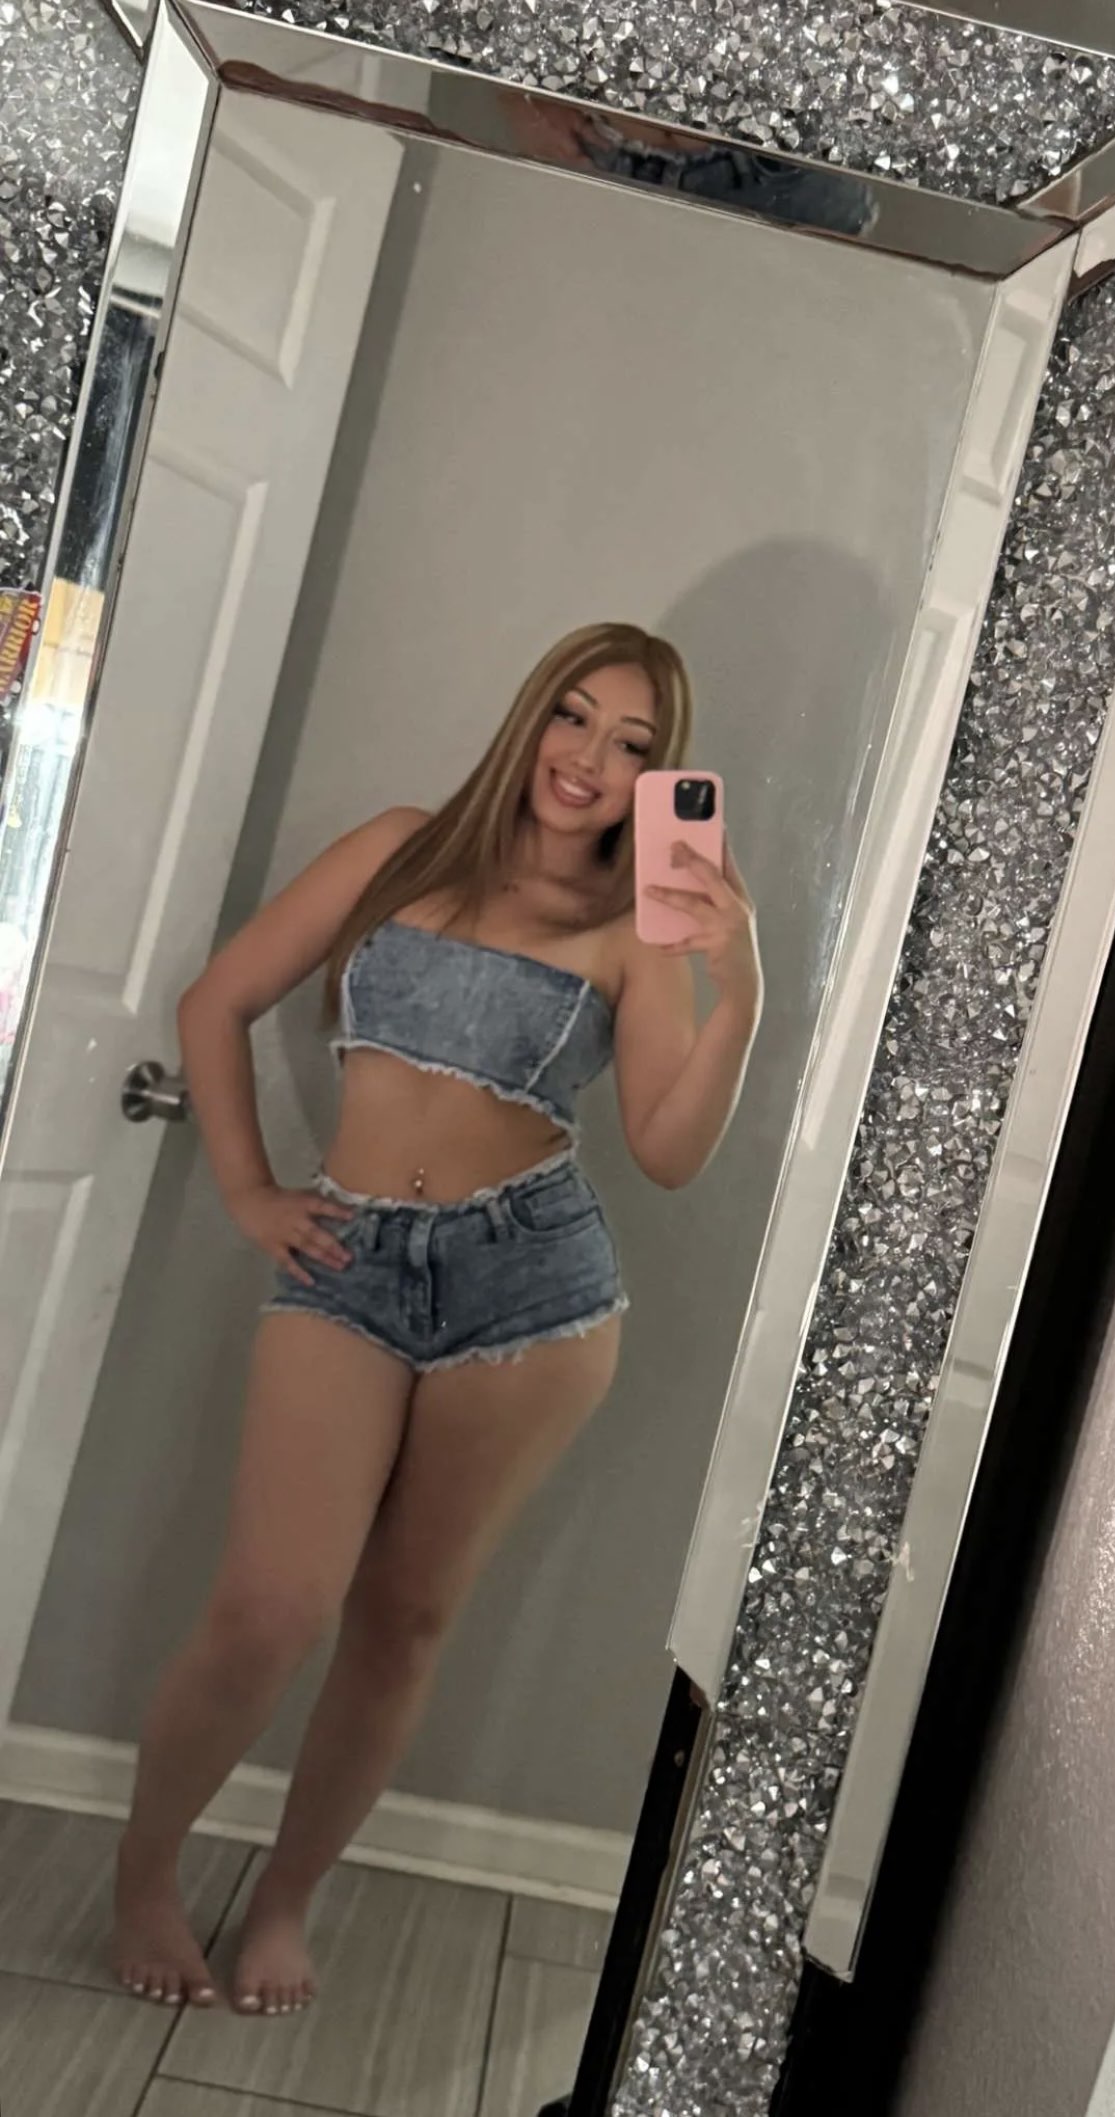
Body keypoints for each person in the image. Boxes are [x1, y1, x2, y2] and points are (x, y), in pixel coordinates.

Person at [111, 620, 763, 2016]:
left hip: (529, 1289)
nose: (588, 759)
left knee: (404, 1617)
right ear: (532, 715)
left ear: (660, 777)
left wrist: (742, 991)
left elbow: (666, 1149)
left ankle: (286, 1899)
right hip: (346, 1258)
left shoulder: (637, 929)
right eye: (573, 717)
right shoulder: (400, 849)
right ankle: (144, 1879)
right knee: (271, 1605)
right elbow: (217, 1001)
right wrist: (249, 1189)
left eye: (633, 745)